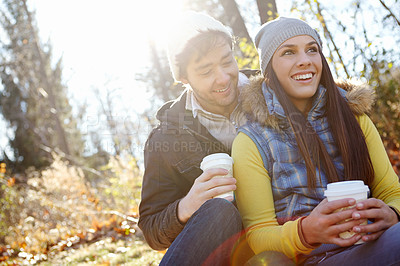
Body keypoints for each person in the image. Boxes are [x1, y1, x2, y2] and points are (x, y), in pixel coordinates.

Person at [232, 17, 400, 265]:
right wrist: (305, 231)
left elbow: (391, 191)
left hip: (374, 243)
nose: (305, 60)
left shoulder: (354, 117)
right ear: (269, 71)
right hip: (314, 259)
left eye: (312, 49)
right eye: (288, 52)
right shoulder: (251, 141)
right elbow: (259, 234)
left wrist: (393, 213)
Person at [138, 11, 257, 265]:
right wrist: (186, 206)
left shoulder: (272, 90)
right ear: (184, 78)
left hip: (286, 233)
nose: (223, 78)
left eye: (227, 61)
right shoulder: (166, 139)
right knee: (218, 211)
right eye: (206, 72)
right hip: (222, 249)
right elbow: (151, 228)